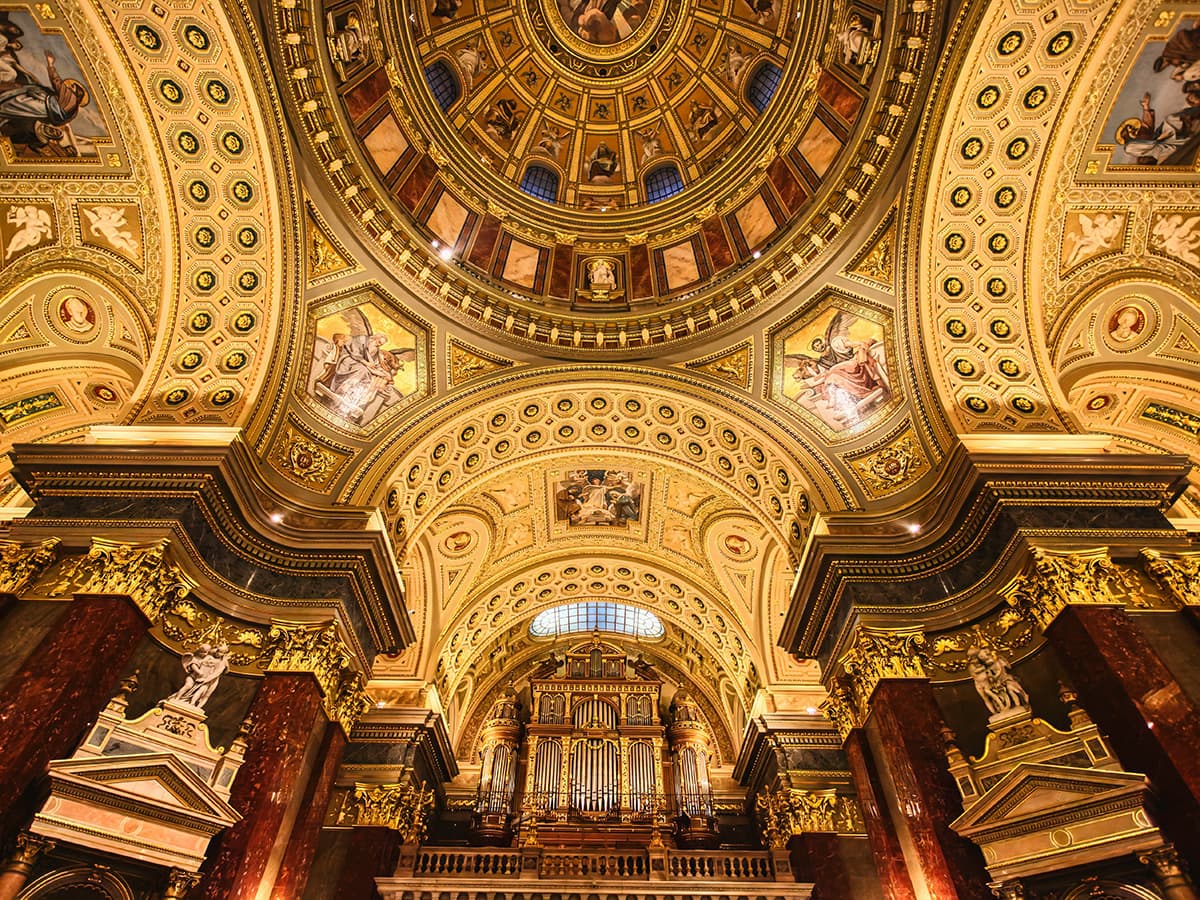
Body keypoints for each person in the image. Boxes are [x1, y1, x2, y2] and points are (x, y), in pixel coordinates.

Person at [168, 643, 229, 709]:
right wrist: (198, 671)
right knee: (188, 686)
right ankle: (177, 698)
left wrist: (205, 680)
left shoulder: (222, 663)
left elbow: (216, 674)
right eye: (218, 651)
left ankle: (194, 705)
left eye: (221, 653)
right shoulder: (208, 655)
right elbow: (194, 662)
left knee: (202, 693)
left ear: (224, 654)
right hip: (195, 677)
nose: (218, 653)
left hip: (209, 681)